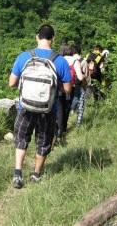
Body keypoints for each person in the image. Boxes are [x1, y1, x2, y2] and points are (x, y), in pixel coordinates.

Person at [9, 24, 71, 189]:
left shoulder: (24, 57)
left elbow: (11, 83)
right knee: (43, 142)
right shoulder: (60, 61)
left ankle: (17, 174)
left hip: (25, 108)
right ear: (53, 38)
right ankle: (36, 175)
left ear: (37, 37)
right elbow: (67, 89)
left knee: (21, 139)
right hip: (48, 110)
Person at [56, 44, 84, 143]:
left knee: (59, 108)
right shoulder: (74, 61)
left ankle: (57, 130)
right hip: (70, 87)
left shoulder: (58, 59)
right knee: (66, 108)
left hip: (58, 87)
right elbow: (80, 77)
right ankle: (63, 129)